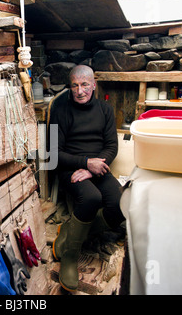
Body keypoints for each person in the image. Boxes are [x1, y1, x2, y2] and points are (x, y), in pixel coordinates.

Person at [49, 65, 125, 292]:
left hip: (97, 167)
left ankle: (69, 233)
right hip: (69, 167)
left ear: (94, 85)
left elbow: (112, 146)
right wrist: (84, 163)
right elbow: (53, 153)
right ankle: (70, 256)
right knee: (91, 198)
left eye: (84, 85)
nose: (80, 91)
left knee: (118, 204)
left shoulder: (105, 109)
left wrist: (93, 168)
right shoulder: (59, 110)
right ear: (70, 86)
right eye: (74, 85)